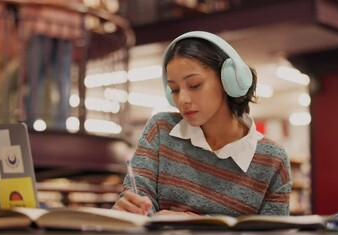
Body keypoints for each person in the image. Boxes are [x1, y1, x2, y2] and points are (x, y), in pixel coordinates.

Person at [112, 31, 292, 217]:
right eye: (174, 90)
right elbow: (138, 208)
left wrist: (195, 226)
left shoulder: (272, 160)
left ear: (227, 80)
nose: (182, 99)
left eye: (194, 85)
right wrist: (129, 211)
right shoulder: (161, 129)